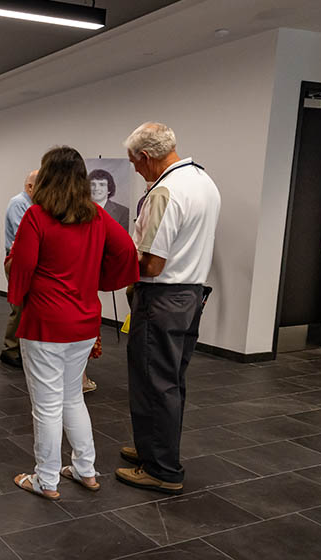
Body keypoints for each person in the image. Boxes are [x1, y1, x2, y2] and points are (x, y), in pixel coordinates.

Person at [7, 147, 138, 501]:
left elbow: (21, 265)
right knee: (72, 398)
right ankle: (85, 470)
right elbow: (127, 250)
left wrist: (18, 294)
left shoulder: (36, 216)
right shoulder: (95, 215)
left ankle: (46, 479)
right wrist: (100, 279)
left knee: (47, 406)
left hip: (46, 323)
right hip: (84, 320)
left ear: (47, 176)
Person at [115, 122, 220, 495]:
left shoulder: (166, 191)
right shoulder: (203, 181)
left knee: (153, 383)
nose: (136, 170)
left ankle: (161, 469)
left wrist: (117, 263)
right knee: (169, 380)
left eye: (135, 163)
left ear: (146, 157)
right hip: (190, 294)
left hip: (161, 297)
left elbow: (153, 263)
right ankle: (152, 450)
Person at [1, 170, 37, 368]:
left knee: (27, 306)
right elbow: (21, 235)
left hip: (28, 261)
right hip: (17, 262)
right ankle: (10, 348)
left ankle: (22, 347)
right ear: (30, 186)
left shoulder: (32, 204)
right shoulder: (19, 203)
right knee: (19, 305)